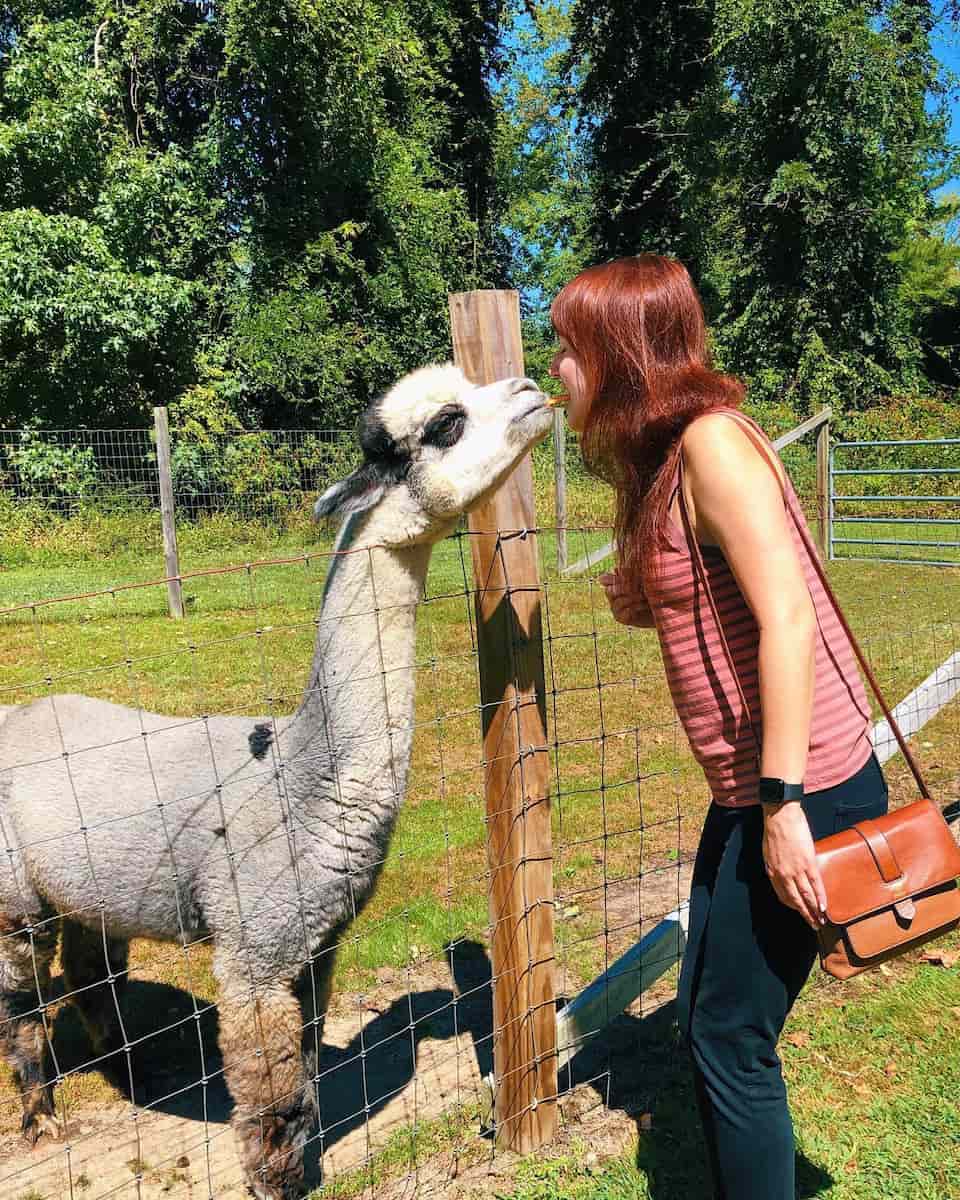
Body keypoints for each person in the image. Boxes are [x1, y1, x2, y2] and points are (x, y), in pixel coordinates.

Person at [548, 254, 888, 1200]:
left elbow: (789, 618)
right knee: (707, 1012)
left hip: (798, 785)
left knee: (732, 1039)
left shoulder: (713, 446)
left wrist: (783, 808)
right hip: (754, 787)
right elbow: (693, 598)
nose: (558, 372)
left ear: (619, 352)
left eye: (569, 351)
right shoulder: (665, 462)